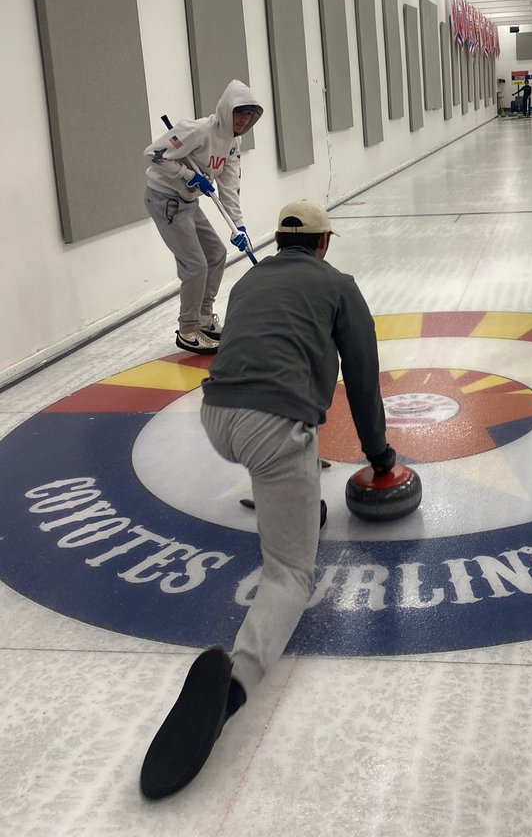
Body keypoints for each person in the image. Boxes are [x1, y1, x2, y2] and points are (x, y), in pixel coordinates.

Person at [139, 199, 395, 800]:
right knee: (289, 575)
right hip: (273, 430)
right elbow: (360, 377)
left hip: (216, 417)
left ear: (281, 241)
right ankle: (232, 690)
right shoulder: (338, 284)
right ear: (325, 243)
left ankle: (292, 501)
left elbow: (256, 350)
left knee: (288, 461)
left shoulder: (251, 278)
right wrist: (381, 457)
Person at [144, 80, 262, 354]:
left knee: (216, 254)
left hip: (187, 202)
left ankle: (204, 318)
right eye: (238, 113)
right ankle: (187, 330)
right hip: (165, 199)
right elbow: (153, 154)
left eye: (248, 115)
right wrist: (189, 175)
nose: (243, 120)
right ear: (226, 110)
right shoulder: (195, 131)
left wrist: (239, 227)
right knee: (195, 266)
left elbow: (229, 185)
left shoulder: (233, 141)